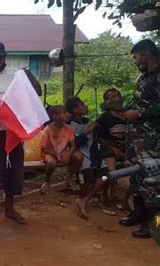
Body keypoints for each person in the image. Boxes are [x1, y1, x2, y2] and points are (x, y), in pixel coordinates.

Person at [0, 41, 42, 224]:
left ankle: (9, 208)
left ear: (6, 55)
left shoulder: (17, 74)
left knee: (14, 172)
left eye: (2, 57)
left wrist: (27, 75)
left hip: (14, 134)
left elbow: (37, 92)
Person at [118, 39, 160, 238]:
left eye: (135, 57)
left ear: (145, 54)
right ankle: (137, 213)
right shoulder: (145, 77)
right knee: (135, 178)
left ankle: (151, 224)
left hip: (152, 140)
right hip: (137, 138)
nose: (135, 61)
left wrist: (140, 114)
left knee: (150, 180)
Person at [65, 97, 109, 219]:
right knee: (87, 179)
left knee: (104, 177)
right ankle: (81, 197)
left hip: (95, 155)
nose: (85, 106)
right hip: (82, 156)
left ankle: (84, 200)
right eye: (82, 104)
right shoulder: (69, 125)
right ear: (75, 109)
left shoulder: (87, 120)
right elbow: (75, 143)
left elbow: (97, 137)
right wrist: (88, 131)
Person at [96, 88, 128, 211]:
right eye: (112, 97)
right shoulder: (104, 117)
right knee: (111, 172)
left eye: (117, 95)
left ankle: (123, 199)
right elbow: (99, 138)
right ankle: (106, 197)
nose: (116, 98)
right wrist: (113, 149)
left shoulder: (127, 115)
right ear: (106, 101)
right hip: (108, 149)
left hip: (124, 148)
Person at [39, 105, 83, 195]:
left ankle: (70, 177)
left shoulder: (68, 128)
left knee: (78, 157)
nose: (67, 114)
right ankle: (47, 181)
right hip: (50, 153)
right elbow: (44, 148)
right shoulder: (47, 130)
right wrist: (57, 155)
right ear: (55, 116)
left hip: (63, 153)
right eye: (64, 112)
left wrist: (68, 155)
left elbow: (73, 145)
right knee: (52, 162)